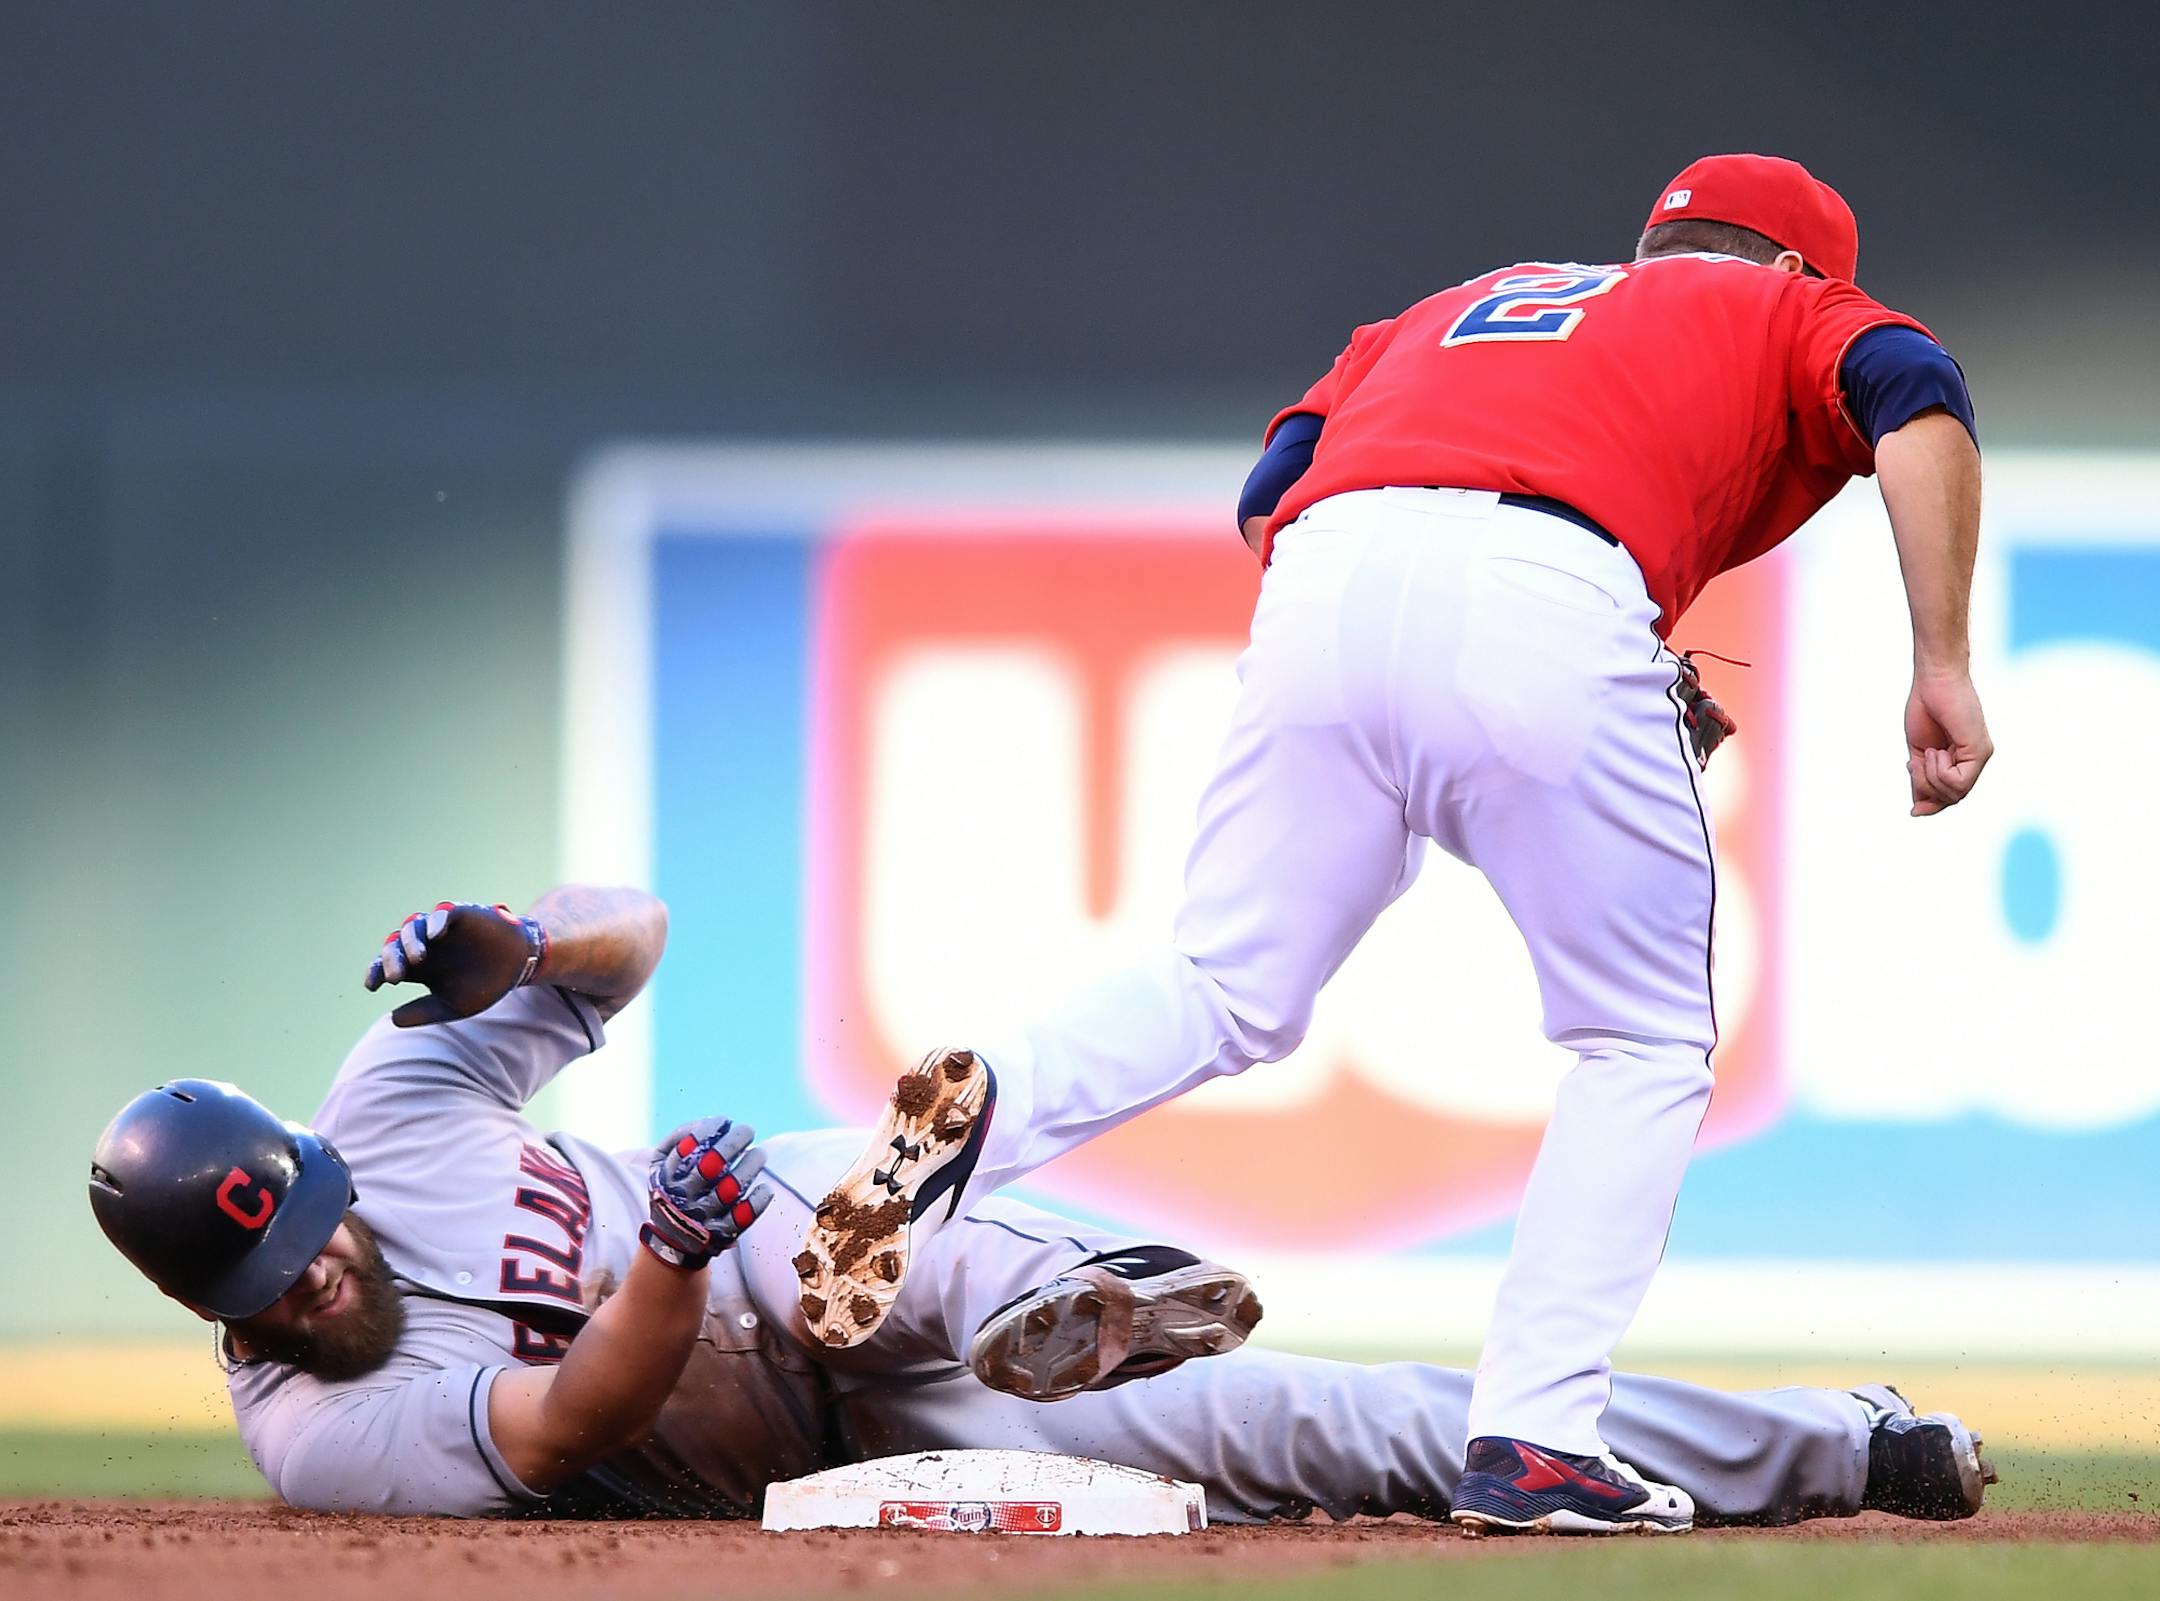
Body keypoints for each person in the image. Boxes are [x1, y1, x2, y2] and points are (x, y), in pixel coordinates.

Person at [798, 152, 1991, 1536]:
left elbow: (1277, 479)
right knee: (1643, 1039)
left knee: (1224, 984)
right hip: (1551, 577)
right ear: (1798, 265)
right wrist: (1944, 660)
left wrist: (1421, 642)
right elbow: (1918, 391)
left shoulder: (1466, 300)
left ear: (1653, 243)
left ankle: (978, 1114)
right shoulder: (1787, 311)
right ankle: (1536, 1437)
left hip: (1327, 572)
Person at [86, 886, 1990, 1527]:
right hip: (805, 1426)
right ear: (223, 1308)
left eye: (318, 1217)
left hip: (775, 1235)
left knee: (820, 1222)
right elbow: (575, 1416)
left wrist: (510, 941)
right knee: (1363, 1428)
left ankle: (1851, 1442)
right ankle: (1052, 1292)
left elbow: (629, 937)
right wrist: (657, 1253)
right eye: (281, 1269)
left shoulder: (397, 1091)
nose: (327, 1262)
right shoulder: (320, 1439)